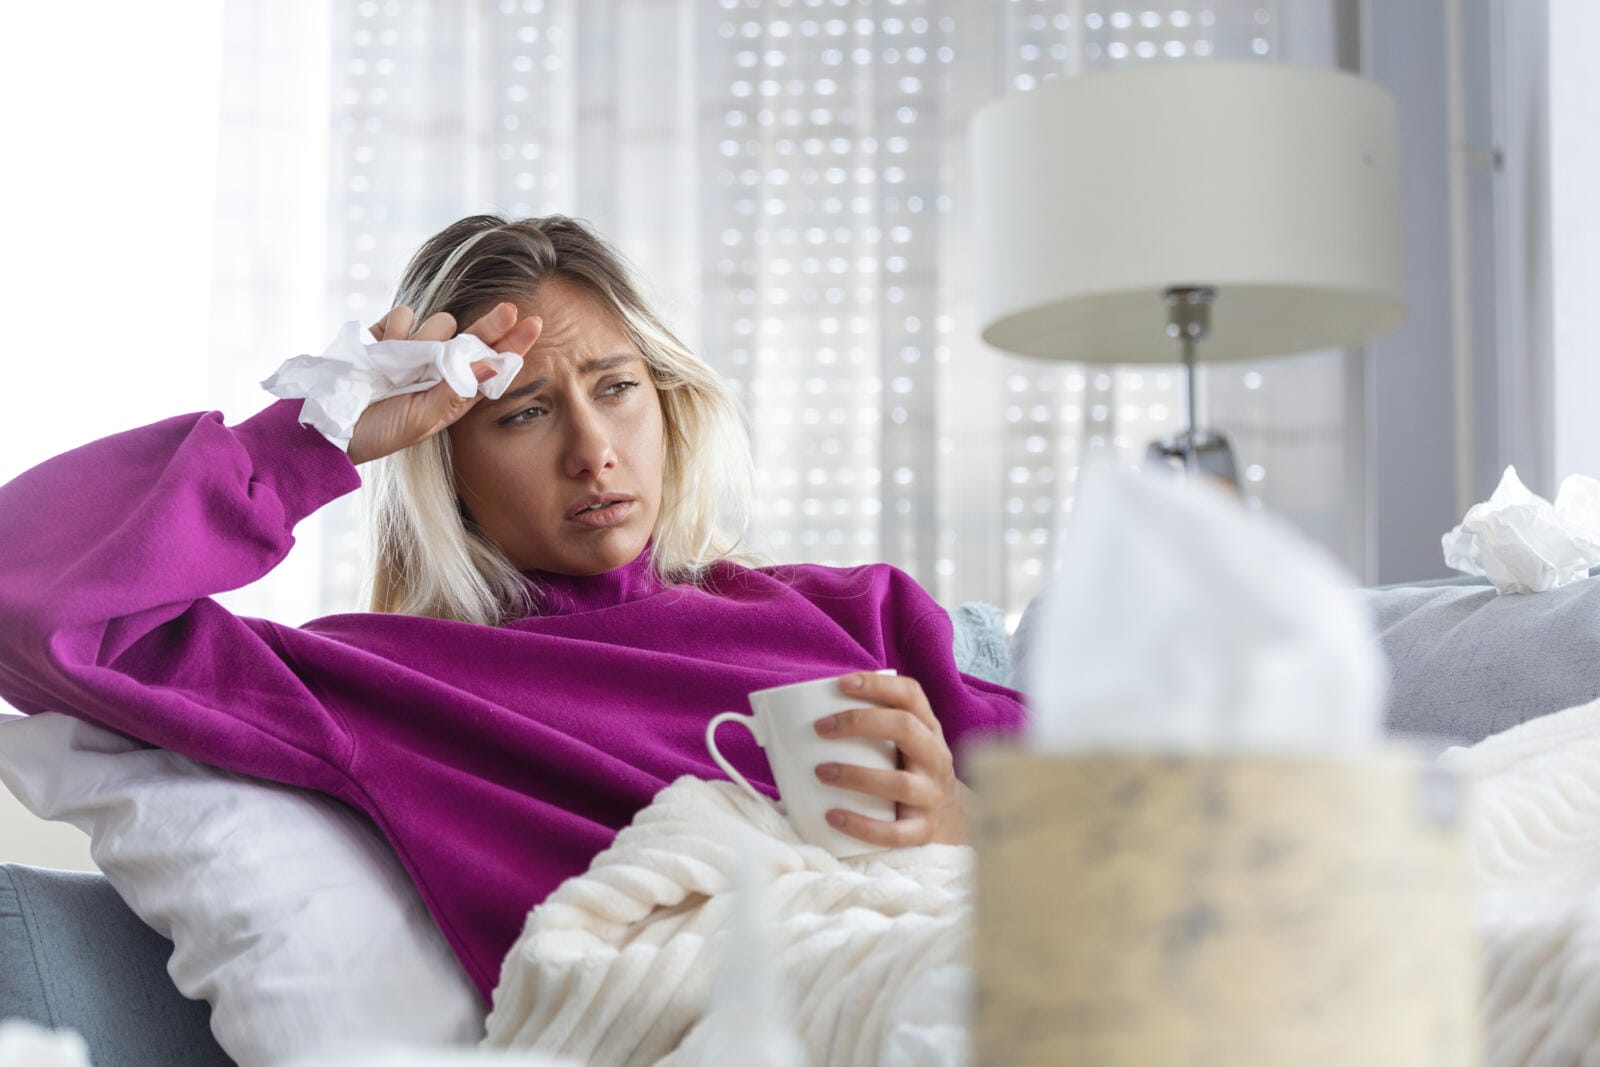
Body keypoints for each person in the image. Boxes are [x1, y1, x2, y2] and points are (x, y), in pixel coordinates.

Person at [0, 214, 1026, 1002]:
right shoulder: (376, 684)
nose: (593, 450)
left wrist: (960, 820)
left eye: (616, 388)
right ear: (443, 457)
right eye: (525, 412)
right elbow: (30, 602)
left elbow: (1104, 829)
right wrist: (314, 435)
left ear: (667, 399)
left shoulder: (857, 613)